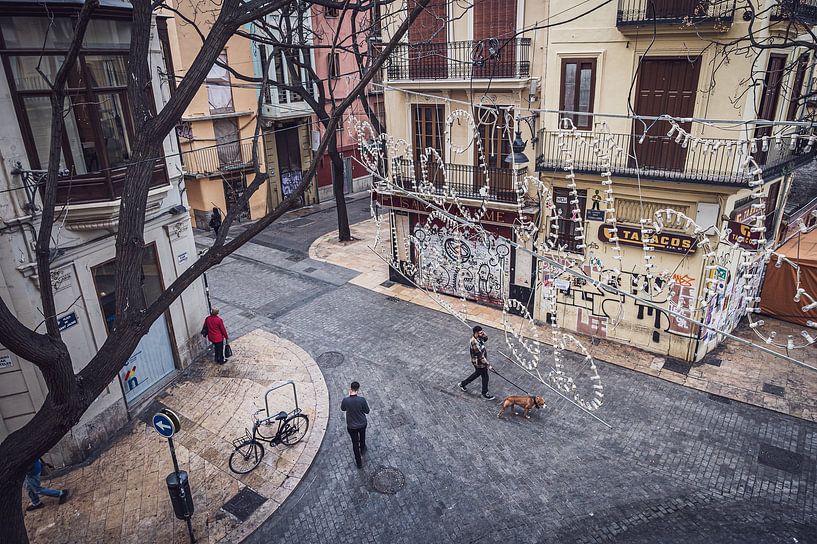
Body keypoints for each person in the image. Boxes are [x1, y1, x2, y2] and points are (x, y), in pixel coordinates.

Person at [458, 326, 496, 400]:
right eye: (480, 332)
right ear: (476, 333)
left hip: (481, 361)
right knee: (485, 377)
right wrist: (488, 365)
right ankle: (484, 393)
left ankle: (463, 384)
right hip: (479, 362)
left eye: (482, 332)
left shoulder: (479, 337)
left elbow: (485, 339)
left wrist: (484, 334)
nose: (482, 333)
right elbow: (480, 356)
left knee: (477, 374)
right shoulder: (474, 342)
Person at [340, 381, 370, 469]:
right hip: (362, 424)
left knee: (355, 443)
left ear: (350, 389)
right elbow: (367, 411)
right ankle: (363, 448)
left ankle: (358, 462)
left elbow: (343, 408)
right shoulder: (362, 400)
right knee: (362, 435)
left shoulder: (346, 400)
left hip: (351, 426)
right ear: (358, 390)